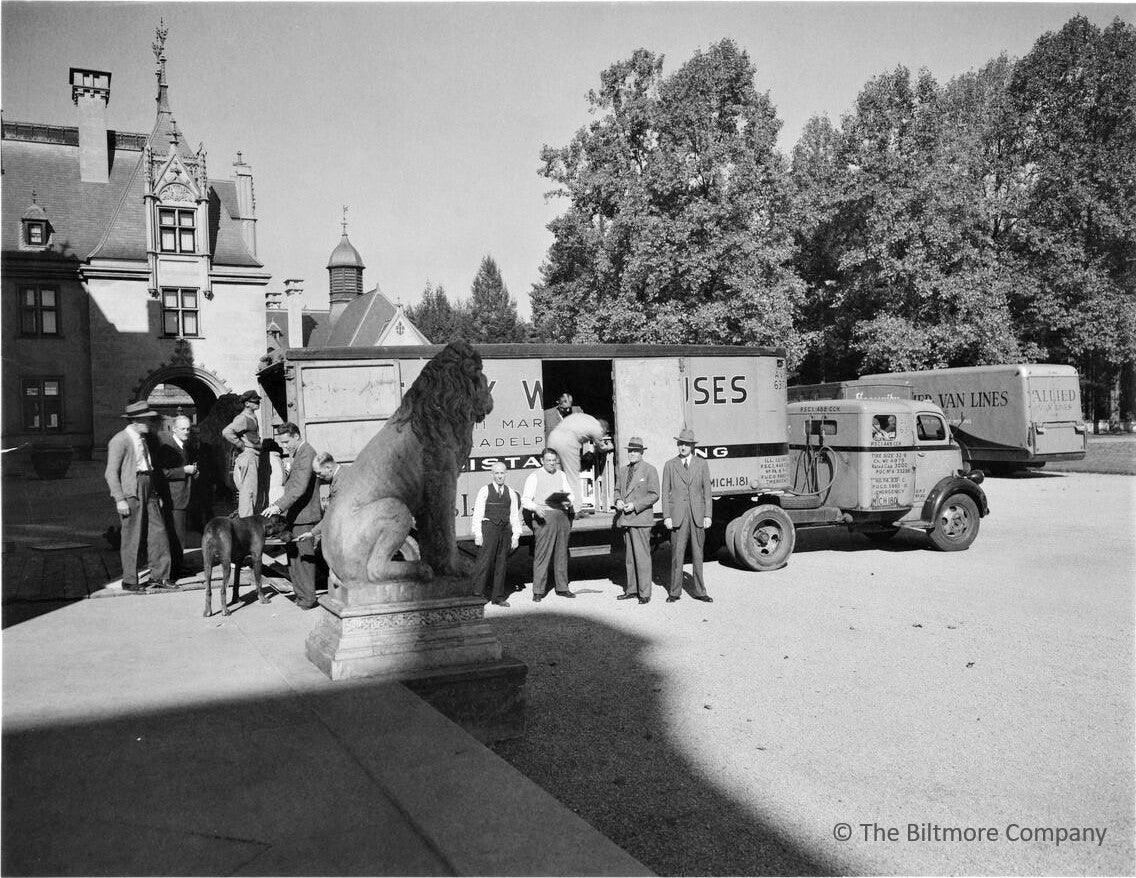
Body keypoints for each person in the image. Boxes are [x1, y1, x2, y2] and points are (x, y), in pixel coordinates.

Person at [105, 401, 176, 592]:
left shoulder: (143, 438)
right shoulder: (120, 440)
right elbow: (111, 473)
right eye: (146, 419)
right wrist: (120, 499)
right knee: (132, 536)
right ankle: (129, 580)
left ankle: (160, 576)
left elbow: (148, 468)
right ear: (135, 421)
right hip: (131, 490)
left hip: (148, 486)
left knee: (158, 532)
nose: (150, 423)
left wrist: (154, 493)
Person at [262, 423, 321, 610]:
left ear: (296, 436)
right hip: (296, 515)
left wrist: (278, 506)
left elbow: (299, 488)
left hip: (304, 516)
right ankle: (302, 596)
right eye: (282, 442)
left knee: (303, 560)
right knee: (294, 559)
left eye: (287, 441)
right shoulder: (299, 453)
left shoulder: (307, 453)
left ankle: (308, 599)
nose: (285, 445)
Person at [661, 426, 714, 603]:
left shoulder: (701, 463)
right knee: (677, 555)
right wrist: (667, 516)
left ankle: (700, 591)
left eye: (686, 444)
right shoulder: (670, 465)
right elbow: (664, 492)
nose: (683, 447)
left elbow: (707, 491)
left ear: (692, 446)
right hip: (678, 516)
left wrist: (708, 515)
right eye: (680, 444)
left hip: (697, 515)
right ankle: (674, 592)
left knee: (698, 555)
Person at [521, 449, 575, 601]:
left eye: (554, 460)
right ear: (542, 461)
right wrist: (536, 508)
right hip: (544, 518)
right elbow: (525, 500)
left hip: (561, 516)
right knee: (542, 555)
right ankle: (538, 591)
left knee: (561, 554)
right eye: (549, 460)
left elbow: (570, 493)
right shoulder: (534, 476)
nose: (552, 463)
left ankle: (562, 588)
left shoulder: (561, 475)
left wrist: (568, 500)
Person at [614, 436, 660, 604]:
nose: (632, 454)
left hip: (640, 519)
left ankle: (645, 593)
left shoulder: (649, 470)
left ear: (641, 452)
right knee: (630, 558)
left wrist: (635, 505)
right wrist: (618, 500)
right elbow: (617, 490)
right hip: (626, 519)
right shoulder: (623, 470)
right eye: (630, 451)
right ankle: (631, 590)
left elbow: (655, 494)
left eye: (635, 451)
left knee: (642, 558)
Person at [471, 463, 524, 607]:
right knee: (484, 562)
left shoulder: (510, 492)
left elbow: (514, 515)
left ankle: (498, 597)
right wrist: (478, 534)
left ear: (506, 474)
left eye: (502, 473)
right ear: (492, 474)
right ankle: (477, 595)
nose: (500, 476)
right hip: (489, 528)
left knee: (502, 563)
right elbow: (478, 514)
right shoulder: (484, 490)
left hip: (505, 529)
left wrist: (516, 536)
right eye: (497, 473)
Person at [547, 412, 613, 513]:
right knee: (572, 476)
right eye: (605, 432)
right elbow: (601, 448)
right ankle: (575, 510)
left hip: (553, 437)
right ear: (604, 428)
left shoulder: (587, 418)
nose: (604, 434)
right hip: (567, 441)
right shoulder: (598, 428)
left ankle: (554, 507)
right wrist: (610, 446)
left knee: (557, 475)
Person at [158, 415, 198, 579]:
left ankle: (178, 566)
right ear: (173, 429)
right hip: (174, 499)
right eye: (182, 429)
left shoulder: (184, 446)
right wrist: (185, 471)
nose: (186, 432)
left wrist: (193, 472)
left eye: (188, 429)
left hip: (183, 497)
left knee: (180, 535)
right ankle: (173, 571)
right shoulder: (168, 447)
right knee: (175, 536)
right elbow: (162, 473)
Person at [222, 390, 262, 517]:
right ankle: (247, 524)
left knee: (249, 491)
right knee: (248, 492)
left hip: (251, 455)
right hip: (249, 454)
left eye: (258, 400)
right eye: (255, 401)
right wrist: (240, 444)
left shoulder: (251, 416)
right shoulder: (243, 418)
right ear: (247, 403)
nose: (258, 403)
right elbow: (227, 432)